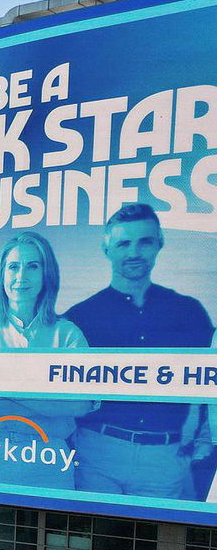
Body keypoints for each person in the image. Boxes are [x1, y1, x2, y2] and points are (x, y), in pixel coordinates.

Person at [63, 203, 214, 497]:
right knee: (96, 535)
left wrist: (205, 441)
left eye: (144, 241)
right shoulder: (80, 317)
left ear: (159, 243)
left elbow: (211, 380)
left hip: (164, 459)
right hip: (96, 453)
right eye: (123, 243)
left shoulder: (189, 312)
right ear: (107, 249)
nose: (133, 252)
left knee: (155, 541)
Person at [0, 232, 93, 489]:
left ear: (46, 275)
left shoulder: (67, 334)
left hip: (48, 457)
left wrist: (3, 395)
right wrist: (47, 402)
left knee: (46, 529)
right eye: (13, 267)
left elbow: (81, 405)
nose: (21, 276)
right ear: (2, 275)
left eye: (33, 266)